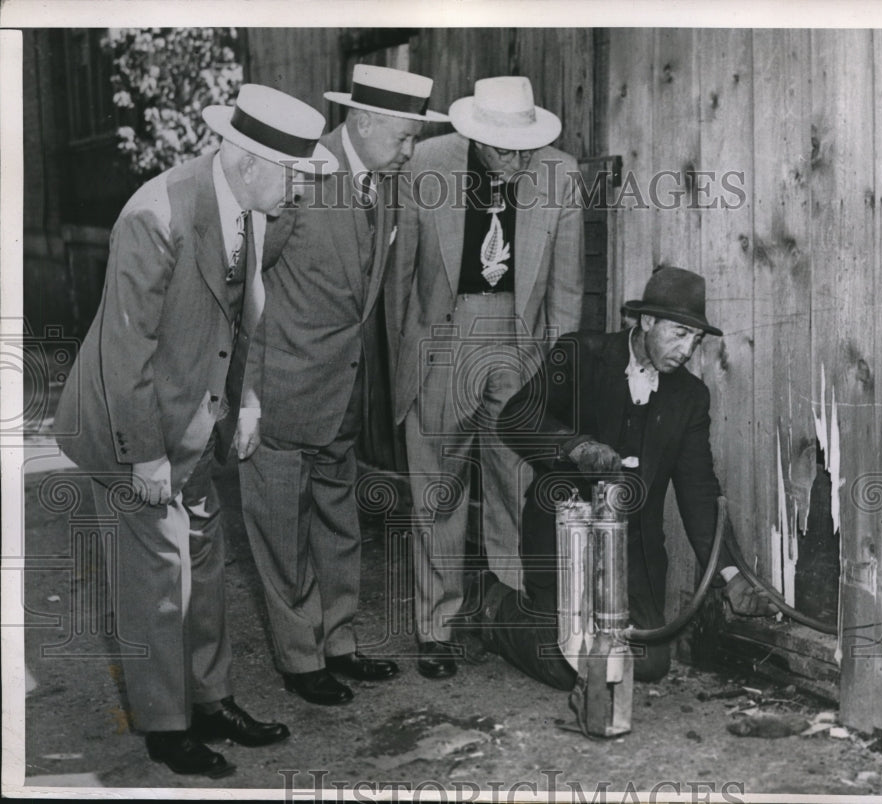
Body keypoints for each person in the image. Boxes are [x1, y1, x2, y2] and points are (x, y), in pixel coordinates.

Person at [53, 85, 337, 777]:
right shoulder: (154, 216)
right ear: (247, 163)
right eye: (294, 174)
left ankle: (210, 701)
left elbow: (245, 318)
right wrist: (145, 457)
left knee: (202, 564)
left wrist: (246, 405)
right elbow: (128, 353)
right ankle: (165, 726)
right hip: (130, 426)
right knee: (155, 577)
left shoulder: (255, 209)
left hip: (196, 415)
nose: (301, 189)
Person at [238, 65, 448, 706]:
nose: (411, 151)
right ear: (363, 120)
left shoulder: (385, 185)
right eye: (406, 137)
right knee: (282, 531)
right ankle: (301, 661)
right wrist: (245, 393)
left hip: (343, 392)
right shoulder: (298, 171)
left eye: (416, 139)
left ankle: (339, 643)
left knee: (339, 523)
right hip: (281, 390)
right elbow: (244, 284)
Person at [477, 266, 777, 691]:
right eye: (678, 333)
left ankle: (584, 626)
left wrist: (730, 575)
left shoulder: (690, 398)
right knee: (570, 665)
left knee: (649, 663)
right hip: (564, 540)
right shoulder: (580, 353)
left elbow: (698, 489)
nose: (687, 349)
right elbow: (515, 418)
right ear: (647, 321)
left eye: (695, 339)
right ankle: (494, 608)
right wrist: (574, 446)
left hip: (631, 555)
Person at [392, 76, 584, 680]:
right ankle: (437, 628)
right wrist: (405, 366)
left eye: (524, 148)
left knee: (516, 481)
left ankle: (511, 617)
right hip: (444, 335)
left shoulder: (561, 173)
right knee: (438, 489)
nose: (516, 161)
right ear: (474, 135)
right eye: (503, 150)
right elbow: (397, 283)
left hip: (519, 341)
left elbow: (567, 293)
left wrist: (555, 379)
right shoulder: (424, 163)